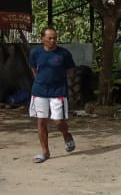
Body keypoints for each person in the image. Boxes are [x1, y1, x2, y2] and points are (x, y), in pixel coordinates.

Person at [28, 27, 76, 163]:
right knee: (41, 121)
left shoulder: (64, 53)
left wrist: (59, 80)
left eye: (55, 37)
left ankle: (66, 135)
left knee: (58, 121)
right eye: (49, 38)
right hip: (40, 91)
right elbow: (34, 69)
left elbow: (71, 69)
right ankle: (45, 152)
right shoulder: (35, 53)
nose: (53, 40)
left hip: (58, 92)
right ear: (42, 38)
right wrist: (41, 81)